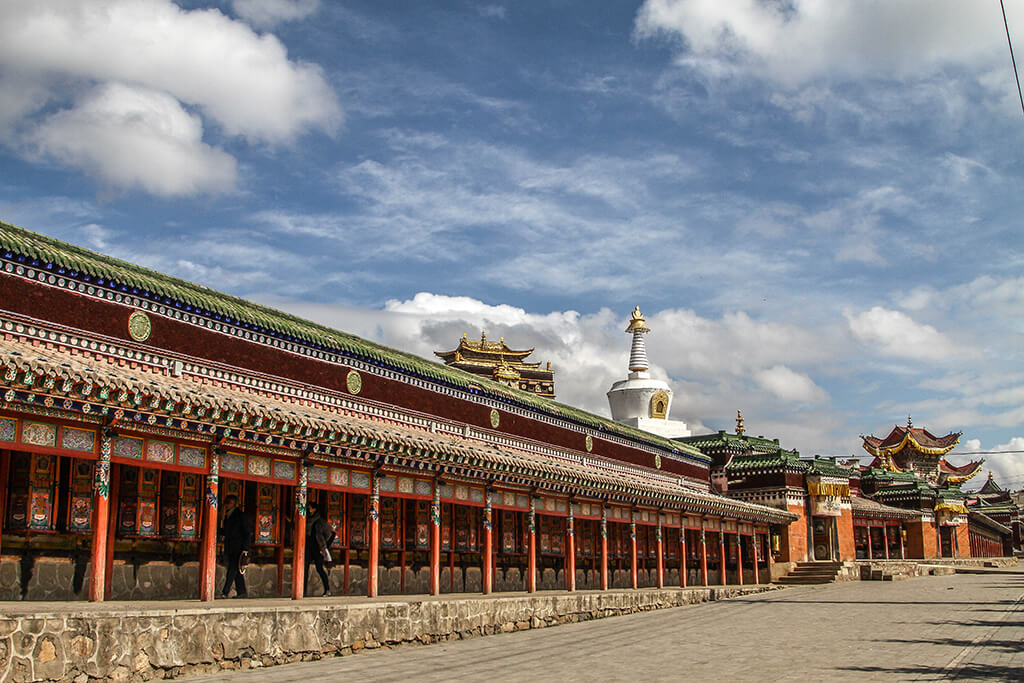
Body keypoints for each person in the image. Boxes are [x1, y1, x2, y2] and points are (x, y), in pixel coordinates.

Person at [219, 494, 251, 598]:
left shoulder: (240, 515)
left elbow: (246, 532)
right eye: (226, 503)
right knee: (237, 570)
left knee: (232, 569)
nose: (227, 505)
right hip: (231, 546)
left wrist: (245, 548)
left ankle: (225, 591)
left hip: (238, 547)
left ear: (235, 504)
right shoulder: (227, 515)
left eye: (229, 503)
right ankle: (242, 592)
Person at [306, 501, 335, 597]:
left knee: (319, 569)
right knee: (305, 568)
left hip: (318, 548)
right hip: (309, 547)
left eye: (310, 508)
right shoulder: (307, 520)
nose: (308, 510)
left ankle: (327, 590)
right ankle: (303, 590)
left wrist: (325, 547)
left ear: (314, 509)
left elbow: (332, 534)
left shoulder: (320, 522)